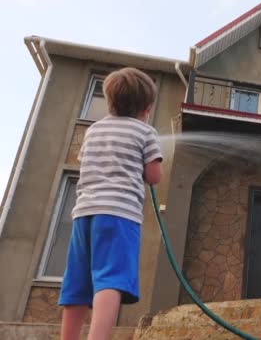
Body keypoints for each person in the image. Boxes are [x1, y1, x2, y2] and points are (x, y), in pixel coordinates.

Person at [58, 67, 163, 340]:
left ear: (110, 101)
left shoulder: (93, 131)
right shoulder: (146, 132)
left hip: (84, 214)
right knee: (110, 279)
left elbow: (88, 165)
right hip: (119, 215)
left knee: (77, 283)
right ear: (146, 108)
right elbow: (154, 176)